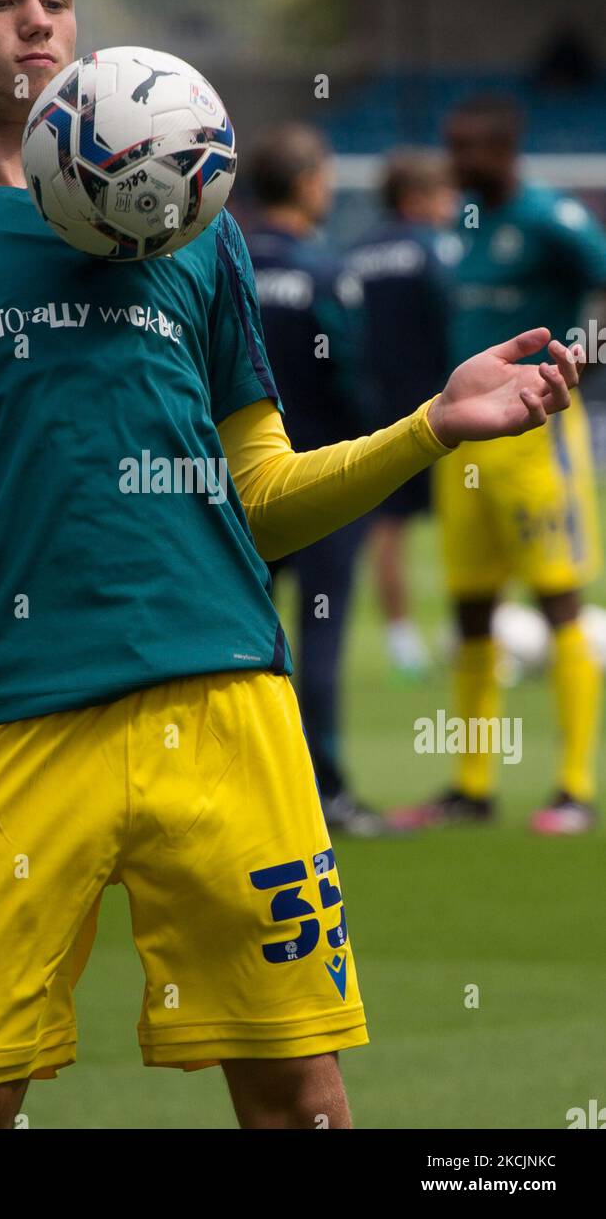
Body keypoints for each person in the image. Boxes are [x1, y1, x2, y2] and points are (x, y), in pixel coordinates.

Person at [0, 0, 580, 1130]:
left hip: (226, 711)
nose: (37, 23)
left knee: (301, 1099)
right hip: (12, 724)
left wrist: (429, 422)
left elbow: (257, 498)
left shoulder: (194, 236)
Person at [391, 95, 606, 835]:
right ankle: (473, 787)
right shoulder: (463, 223)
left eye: (467, 149)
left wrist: (586, 360)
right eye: (449, 147)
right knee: (471, 609)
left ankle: (574, 789)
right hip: (465, 445)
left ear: (504, 150)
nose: (455, 162)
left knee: (558, 602)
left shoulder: (552, 218)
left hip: (537, 439)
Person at [246, 123, 389, 837]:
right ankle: (324, 790)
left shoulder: (221, 263)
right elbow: (355, 376)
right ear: (306, 183)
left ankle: (243, 793)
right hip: (323, 483)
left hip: (238, 485)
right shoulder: (329, 272)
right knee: (320, 641)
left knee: (244, 645)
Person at [345, 149, 456, 679]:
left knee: (388, 528)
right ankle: (468, 632)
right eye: (444, 195)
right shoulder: (439, 250)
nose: (452, 205)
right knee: (464, 520)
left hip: (379, 415)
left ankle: (401, 640)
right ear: (416, 199)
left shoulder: (355, 256)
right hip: (446, 410)